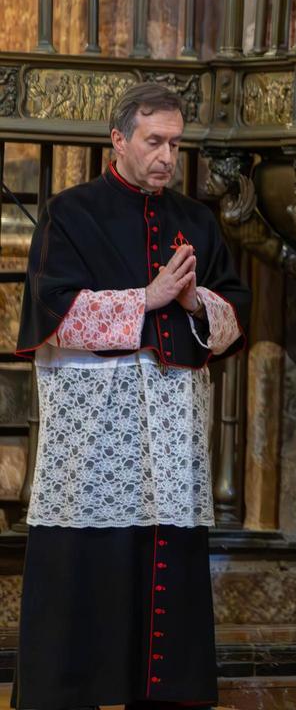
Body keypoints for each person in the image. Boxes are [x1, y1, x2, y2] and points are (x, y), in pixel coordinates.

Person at [13, 82, 251, 708]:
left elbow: (234, 318)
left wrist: (196, 298)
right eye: (154, 142)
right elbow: (53, 314)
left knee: (162, 571)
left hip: (172, 431)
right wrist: (145, 298)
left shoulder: (196, 220)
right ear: (117, 141)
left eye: (175, 143)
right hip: (96, 435)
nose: (167, 156)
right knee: (87, 574)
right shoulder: (70, 213)